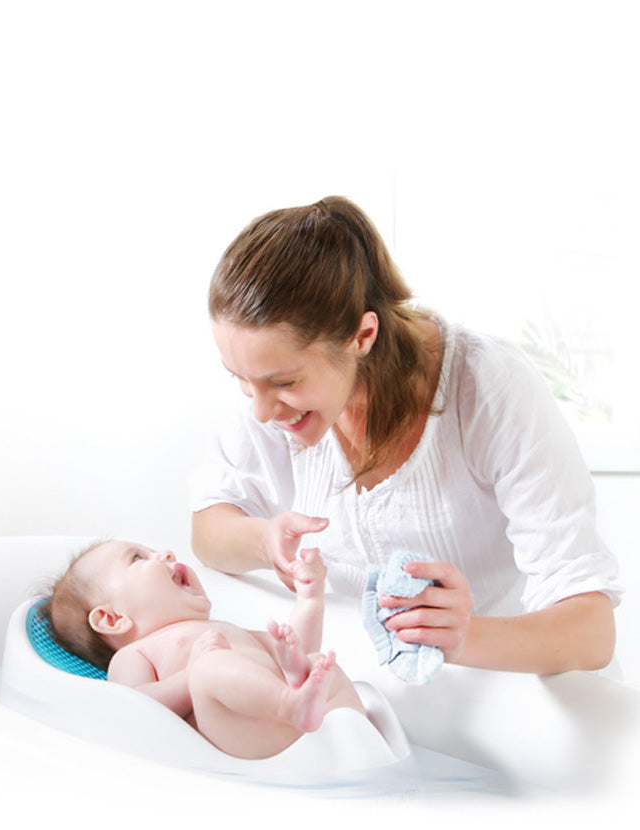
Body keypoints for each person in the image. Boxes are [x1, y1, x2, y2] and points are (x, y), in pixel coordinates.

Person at [190, 195, 623, 676]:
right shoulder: (274, 394)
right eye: (240, 378)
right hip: (373, 686)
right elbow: (207, 532)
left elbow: (592, 631)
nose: (260, 410)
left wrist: (463, 635)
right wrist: (263, 538)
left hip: (515, 691)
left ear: (362, 336)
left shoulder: (490, 390)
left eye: (285, 382)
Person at [44, 540, 366, 759]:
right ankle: (288, 704)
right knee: (209, 669)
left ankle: (352, 732)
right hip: (239, 734)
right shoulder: (134, 655)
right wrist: (190, 674)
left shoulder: (223, 630)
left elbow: (299, 648)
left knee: (317, 662)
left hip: (295, 731)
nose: (165, 553)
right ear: (112, 619)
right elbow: (138, 709)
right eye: (138, 558)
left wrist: (310, 599)